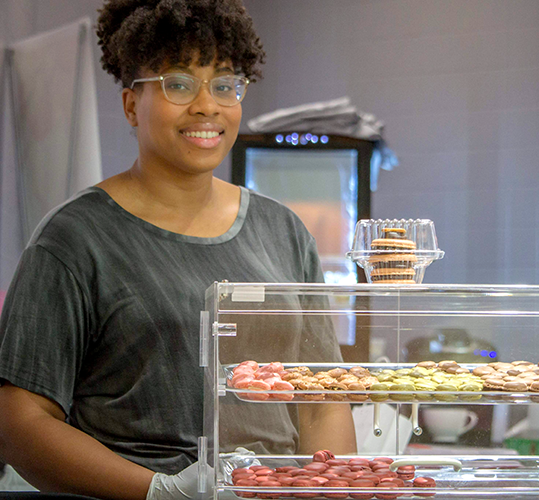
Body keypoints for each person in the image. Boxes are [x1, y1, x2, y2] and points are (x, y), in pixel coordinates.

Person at [0, 1, 356, 499]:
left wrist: (326, 489)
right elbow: (19, 421)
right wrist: (161, 490)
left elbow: (323, 400)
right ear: (131, 104)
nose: (207, 105)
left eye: (225, 84)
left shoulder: (283, 231)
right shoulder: (74, 239)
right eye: (179, 83)